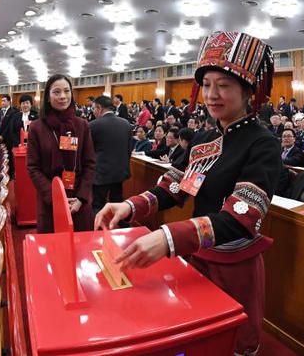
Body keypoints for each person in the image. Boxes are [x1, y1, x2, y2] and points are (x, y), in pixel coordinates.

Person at [95, 31, 280, 355]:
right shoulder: (204, 139)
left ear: (248, 91)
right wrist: (128, 205)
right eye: (207, 84)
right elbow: (176, 187)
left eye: (223, 85)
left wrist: (167, 238)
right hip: (196, 257)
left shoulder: (263, 143)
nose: (212, 94)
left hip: (234, 268)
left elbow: (240, 219)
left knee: (230, 343)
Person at [27, 74, 96, 233]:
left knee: (80, 250)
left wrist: (81, 197)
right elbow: (33, 167)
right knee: (52, 250)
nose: (63, 96)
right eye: (56, 92)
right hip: (50, 200)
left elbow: (90, 163)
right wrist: (55, 198)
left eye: (66, 91)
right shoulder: (37, 128)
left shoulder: (82, 125)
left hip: (79, 200)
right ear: (48, 97)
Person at [89, 96, 133, 214]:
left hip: (101, 173)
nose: (93, 112)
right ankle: (122, 229)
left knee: (97, 205)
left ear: (99, 107)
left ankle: (98, 231)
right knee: (118, 203)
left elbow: (88, 151)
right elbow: (129, 149)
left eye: (93, 108)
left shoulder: (93, 125)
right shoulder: (126, 123)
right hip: (120, 173)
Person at [0, 94, 17, 178]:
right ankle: (5, 173)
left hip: (8, 138)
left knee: (9, 157)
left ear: (9, 101)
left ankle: (11, 174)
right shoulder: (1, 111)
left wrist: (2, 136)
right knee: (3, 157)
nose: (2, 102)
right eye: (1, 101)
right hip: (0, 137)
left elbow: (9, 126)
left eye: (4, 100)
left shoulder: (13, 112)